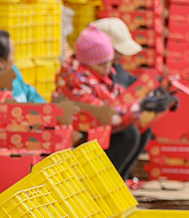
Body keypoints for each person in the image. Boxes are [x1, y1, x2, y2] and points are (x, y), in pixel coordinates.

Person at [54, 26, 143, 178]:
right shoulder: (76, 81)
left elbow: (116, 95)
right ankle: (103, 183)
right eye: (102, 64)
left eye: (109, 62)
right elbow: (99, 113)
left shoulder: (98, 73)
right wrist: (133, 111)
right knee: (128, 134)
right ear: (87, 63)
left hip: (97, 125)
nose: (108, 68)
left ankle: (120, 180)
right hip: (80, 132)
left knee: (140, 127)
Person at [0, 29, 47, 103]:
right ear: (1, 62)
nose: (14, 59)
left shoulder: (13, 72)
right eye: (12, 54)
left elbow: (29, 92)